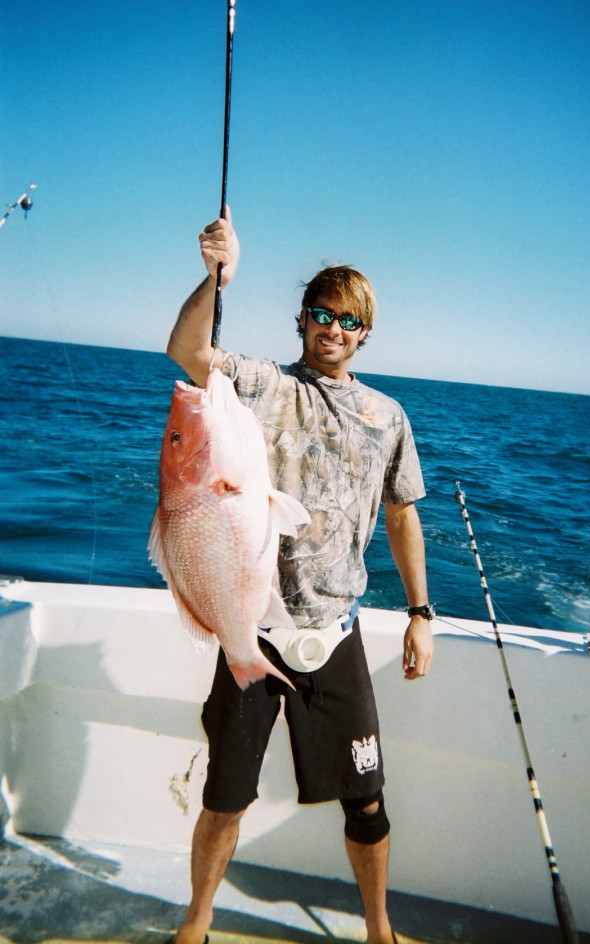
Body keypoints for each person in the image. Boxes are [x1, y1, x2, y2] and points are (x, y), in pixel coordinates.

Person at [165, 207, 434, 944]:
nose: (333, 329)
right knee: (225, 797)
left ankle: (378, 930)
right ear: (302, 321)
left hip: (335, 635)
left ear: (365, 333)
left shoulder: (388, 416)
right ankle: (196, 923)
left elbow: (404, 515)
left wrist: (420, 613)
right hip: (254, 630)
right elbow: (188, 350)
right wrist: (217, 276)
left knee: (367, 801)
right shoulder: (261, 385)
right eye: (321, 313)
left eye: (348, 320)